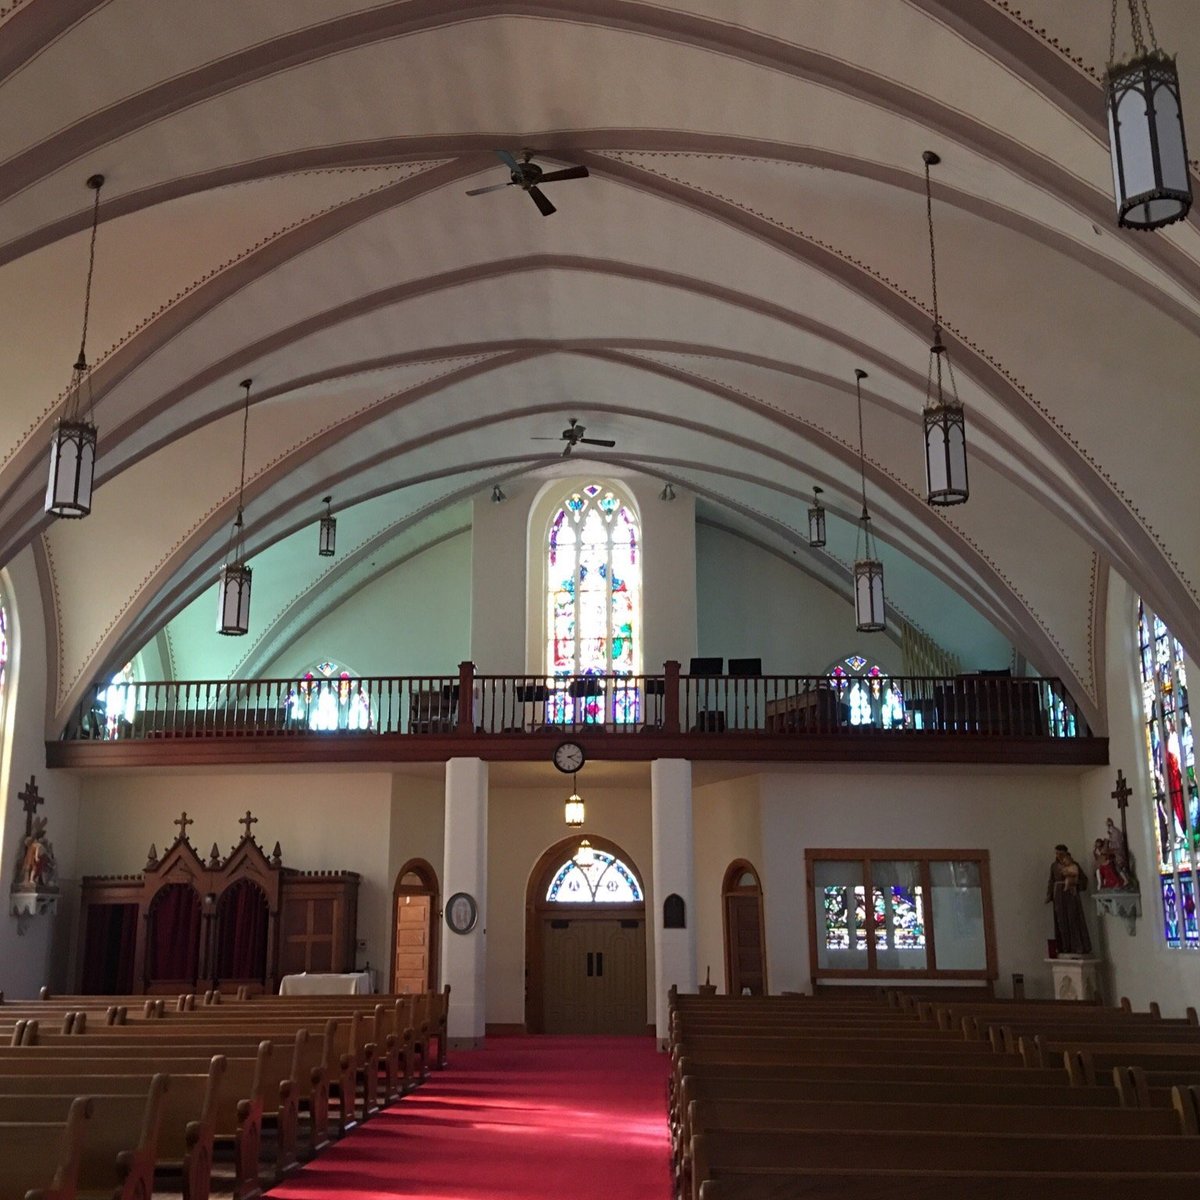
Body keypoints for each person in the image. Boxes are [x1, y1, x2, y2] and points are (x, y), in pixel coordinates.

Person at [1046, 843, 1091, 955]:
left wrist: (1075, 884)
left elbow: (1083, 880)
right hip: (1058, 894)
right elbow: (1051, 881)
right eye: (1056, 853)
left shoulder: (1074, 864)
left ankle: (1077, 946)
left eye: (1061, 853)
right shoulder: (1054, 866)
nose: (1058, 856)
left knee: (1073, 919)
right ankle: (1064, 947)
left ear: (1066, 853)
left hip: (1070, 894)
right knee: (1061, 921)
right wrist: (1049, 894)